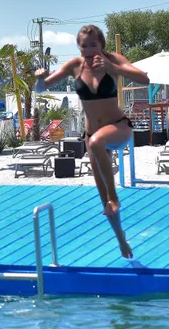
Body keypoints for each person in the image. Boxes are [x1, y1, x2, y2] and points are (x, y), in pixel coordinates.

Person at [36, 25, 149, 258]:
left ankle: (115, 195)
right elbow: (41, 89)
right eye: (83, 45)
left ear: (102, 44)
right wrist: (39, 79)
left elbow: (144, 79)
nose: (88, 50)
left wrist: (111, 67)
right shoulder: (74, 66)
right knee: (104, 203)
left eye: (93, 45)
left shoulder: (113, 60)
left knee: (97, 144)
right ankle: (122, 241)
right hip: (92, 136)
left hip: (118, 127)